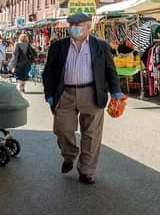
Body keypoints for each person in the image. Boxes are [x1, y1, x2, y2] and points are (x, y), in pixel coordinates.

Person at [42, 12, 122, 185]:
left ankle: (87, 170)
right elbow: (48, 72)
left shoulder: (100, 45)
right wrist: (49, 93)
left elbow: (110, 70)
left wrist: (116, 91)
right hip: (66, 93)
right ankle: (69, 154)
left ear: (88, 26)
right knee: (62, 129)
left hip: (92, 92)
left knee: (91, 134)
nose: (74, 28)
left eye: (78, 24)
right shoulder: (58, 46)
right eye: (71, 24)